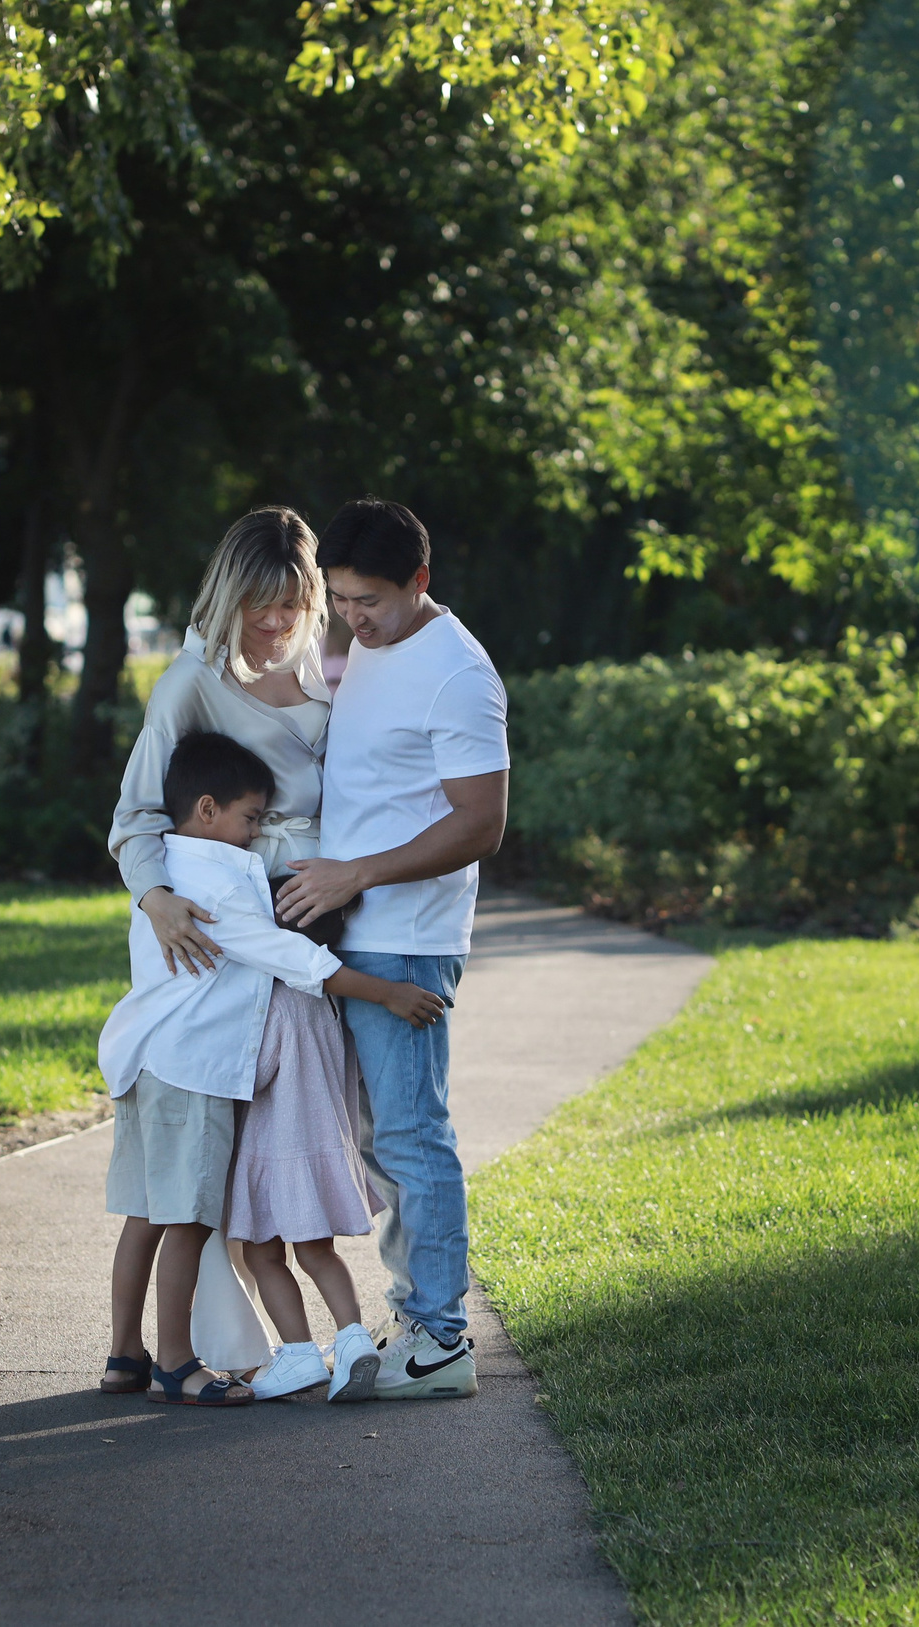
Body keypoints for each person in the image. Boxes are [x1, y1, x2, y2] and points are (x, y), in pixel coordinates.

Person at [99, 731, 446, 1407]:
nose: (259, 832)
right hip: (193, 1067)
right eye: (251, 818)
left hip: (148, 1058)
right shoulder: (214, 881)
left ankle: (124, 1355)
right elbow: (290, 957)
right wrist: (388, 993)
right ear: (207, 809)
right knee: (189, 1220)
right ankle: (174, 1362)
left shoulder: (166, 869)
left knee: (144, 1212)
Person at [276, 499, 510, 1401]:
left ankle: (443, 1339)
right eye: (338, 598)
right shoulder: (373, 647)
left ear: (421, 581)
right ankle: (418, 1314)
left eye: (368, 598)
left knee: (413, 1136)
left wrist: (353, 874)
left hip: (408, 938)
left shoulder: (457, 674)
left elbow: (482, 822)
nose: (350, 616)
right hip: (356, 934)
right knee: (380, 1138)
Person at [110, 507, 334, 982]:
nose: (276, 621)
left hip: (338, 888)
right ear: (231, 594)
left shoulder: (307, 655)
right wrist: (156, 900)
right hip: (246, 900)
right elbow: (136, 814)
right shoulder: (190, 682)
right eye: (260, 602)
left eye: (291, 603)